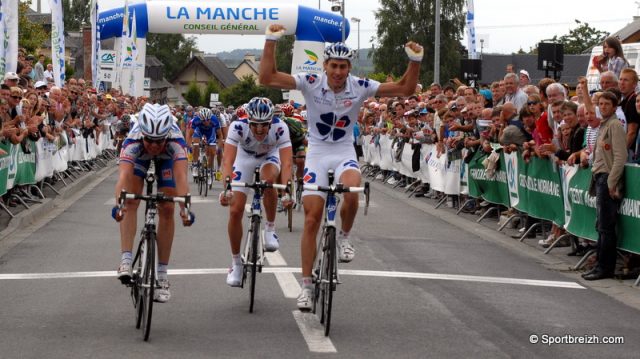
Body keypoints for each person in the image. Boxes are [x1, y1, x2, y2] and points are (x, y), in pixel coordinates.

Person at [259, 23, 422, 310]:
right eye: (333, 66)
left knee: (351, 188)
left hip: (344, 149)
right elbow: (267, 77)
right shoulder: (310, 81)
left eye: (343, 66)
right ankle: (307, 286)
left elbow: (406, 88)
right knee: (312, 218)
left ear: (349, 67)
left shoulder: (360, 86)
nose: (338, 72)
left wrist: (415, 61)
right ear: (325, 66)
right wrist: (271, 40)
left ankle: (345, 237)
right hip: (318, 152)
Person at [113, 103, 194, 303]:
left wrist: (185, 208)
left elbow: (181, 177)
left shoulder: (176, 141)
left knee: (168, 207)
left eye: (159, 141)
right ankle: (125, 260)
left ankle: (163, 275)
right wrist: (119, 205)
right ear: (143, 134)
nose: (155, 146)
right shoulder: (133, 140)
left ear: (167, 135)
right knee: (130, 201)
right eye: (150, 140)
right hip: (139, 157)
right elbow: (123, 176)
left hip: (168, 159)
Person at [218, 97, 293, 287]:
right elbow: (227, 161)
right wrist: (226, 187)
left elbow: (287, 163)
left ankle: (269, 228)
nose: (259, 130)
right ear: (248, 120)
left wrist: (287, 191)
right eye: (255, 125)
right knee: (235, 211)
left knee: (268, 181)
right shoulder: (237, 127)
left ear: (271, 122)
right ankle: (236, 264)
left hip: (270, 156)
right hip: (245, 158)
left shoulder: (280, 127)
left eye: (264, 125)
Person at [582, 91, 627, 281]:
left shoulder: (615, 125)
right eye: (600, 103)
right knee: (601, 225)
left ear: (615, 107)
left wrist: (612, 181)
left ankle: (605, 268)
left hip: (607, 177)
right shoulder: (604, 125)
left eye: (607, 104)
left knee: (606, 227)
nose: (602, 107)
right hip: (599, 175)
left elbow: (620, 156)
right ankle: (600, 264)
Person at [191, 107, 223, 185]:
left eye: (208, 120)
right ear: (200, 119)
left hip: (210, 133)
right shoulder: (196, 120)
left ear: (210, 118)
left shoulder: (215, 119)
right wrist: (189, 145)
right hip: (199, 131)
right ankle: (195, 165)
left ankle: (209, 172)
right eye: (203, 120)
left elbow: (220, 135)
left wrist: (219, 147)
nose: (206, 122)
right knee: (195, 145)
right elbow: (189, 134)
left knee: (212, 153)